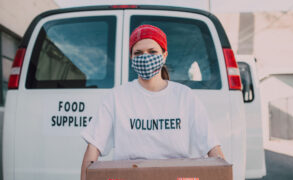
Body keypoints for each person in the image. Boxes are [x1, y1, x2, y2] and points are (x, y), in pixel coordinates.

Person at [80, 25, 225, 180]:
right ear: (131, 57)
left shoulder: (185, 97)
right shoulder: (117, 97)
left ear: (164, 55)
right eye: (138, 53)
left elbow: (212, 148)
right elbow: (93, 149)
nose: (145, 57)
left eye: (152, 52)